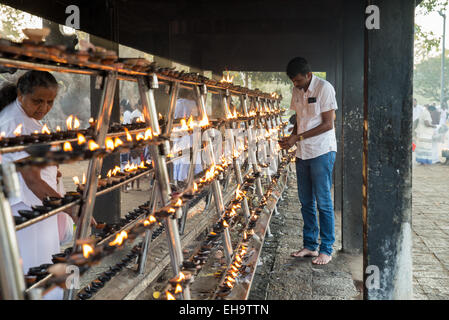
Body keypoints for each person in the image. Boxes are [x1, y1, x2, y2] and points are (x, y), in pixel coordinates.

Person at [0, 71, 91, 299]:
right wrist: (72, 210)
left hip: (40, 206)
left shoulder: (29, 119)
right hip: (26, 210)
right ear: (21, 95)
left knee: (47, 262)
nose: (44, 107)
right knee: (33, 268)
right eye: (37, 101)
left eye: (50, 102)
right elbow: (32, 180)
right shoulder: (14, 122)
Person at [279, 57, 337, 265]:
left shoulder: (324, 88)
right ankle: (310, 245)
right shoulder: (296, 90)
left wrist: (298, 137)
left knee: (323, 202)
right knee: (305, 202)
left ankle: (326, 249)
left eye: (298, 81)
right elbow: (299, 120)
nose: (295, 85)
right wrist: (292, 138)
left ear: (308, 75)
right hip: (302, 153)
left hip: (322, 151)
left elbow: (328, 124)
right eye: (293, 81)